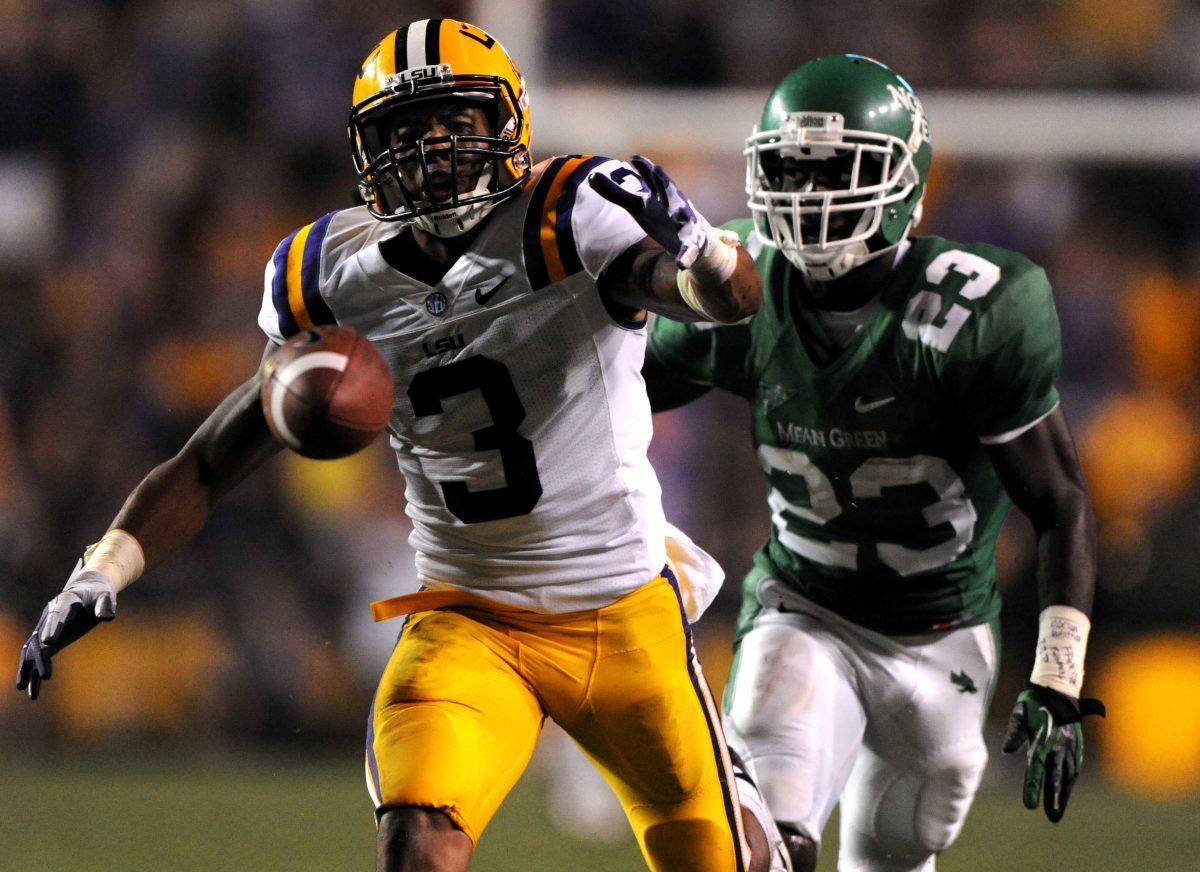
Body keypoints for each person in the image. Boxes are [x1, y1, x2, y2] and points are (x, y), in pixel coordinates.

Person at [15, 19, 788, 872]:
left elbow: (714, 297)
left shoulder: (570, 213)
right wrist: (105, 566)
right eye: (405, 130)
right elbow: (214, 453)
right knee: (418, 844)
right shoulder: (331, 271)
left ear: (506, 125)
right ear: (368, 147)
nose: (432, 147)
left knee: (727, 862)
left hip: (620, 615)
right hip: (469, 616)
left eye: (454, 121)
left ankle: (738, 794)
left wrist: (704, 254)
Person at [642, 54, 1106, 872]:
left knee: (894, 852)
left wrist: (1059, 676)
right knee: (759, 848)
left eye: (836, 172)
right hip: (803, 607)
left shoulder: (979, 310)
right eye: (792, 171)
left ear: (904, 179)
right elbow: (618, 397)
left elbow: (1060, 501)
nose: (812, 200)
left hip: (944, 633)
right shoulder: (741, 285)